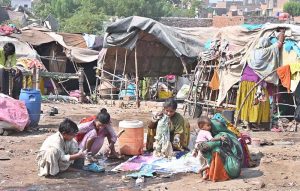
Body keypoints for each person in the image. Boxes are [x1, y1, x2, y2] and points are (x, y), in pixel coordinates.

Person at [235, 28, 286, 130]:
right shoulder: (266, 51)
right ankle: (255, 121)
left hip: (245, 79)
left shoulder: (252, 52)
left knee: (247, 101)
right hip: (256, 81)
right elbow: (279, 44)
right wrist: (282, 33)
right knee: (258, 100)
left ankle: (248, 122)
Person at [197, 115, 243, 182]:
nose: (209, 127)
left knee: (216, 151)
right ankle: (207, 171)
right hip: (234, 162)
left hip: (232, 162)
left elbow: (211, 143)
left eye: (210, 126)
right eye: (208, 126)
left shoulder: (222, 135)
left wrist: (209, 144)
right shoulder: (207, 132)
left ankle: (211, 172)